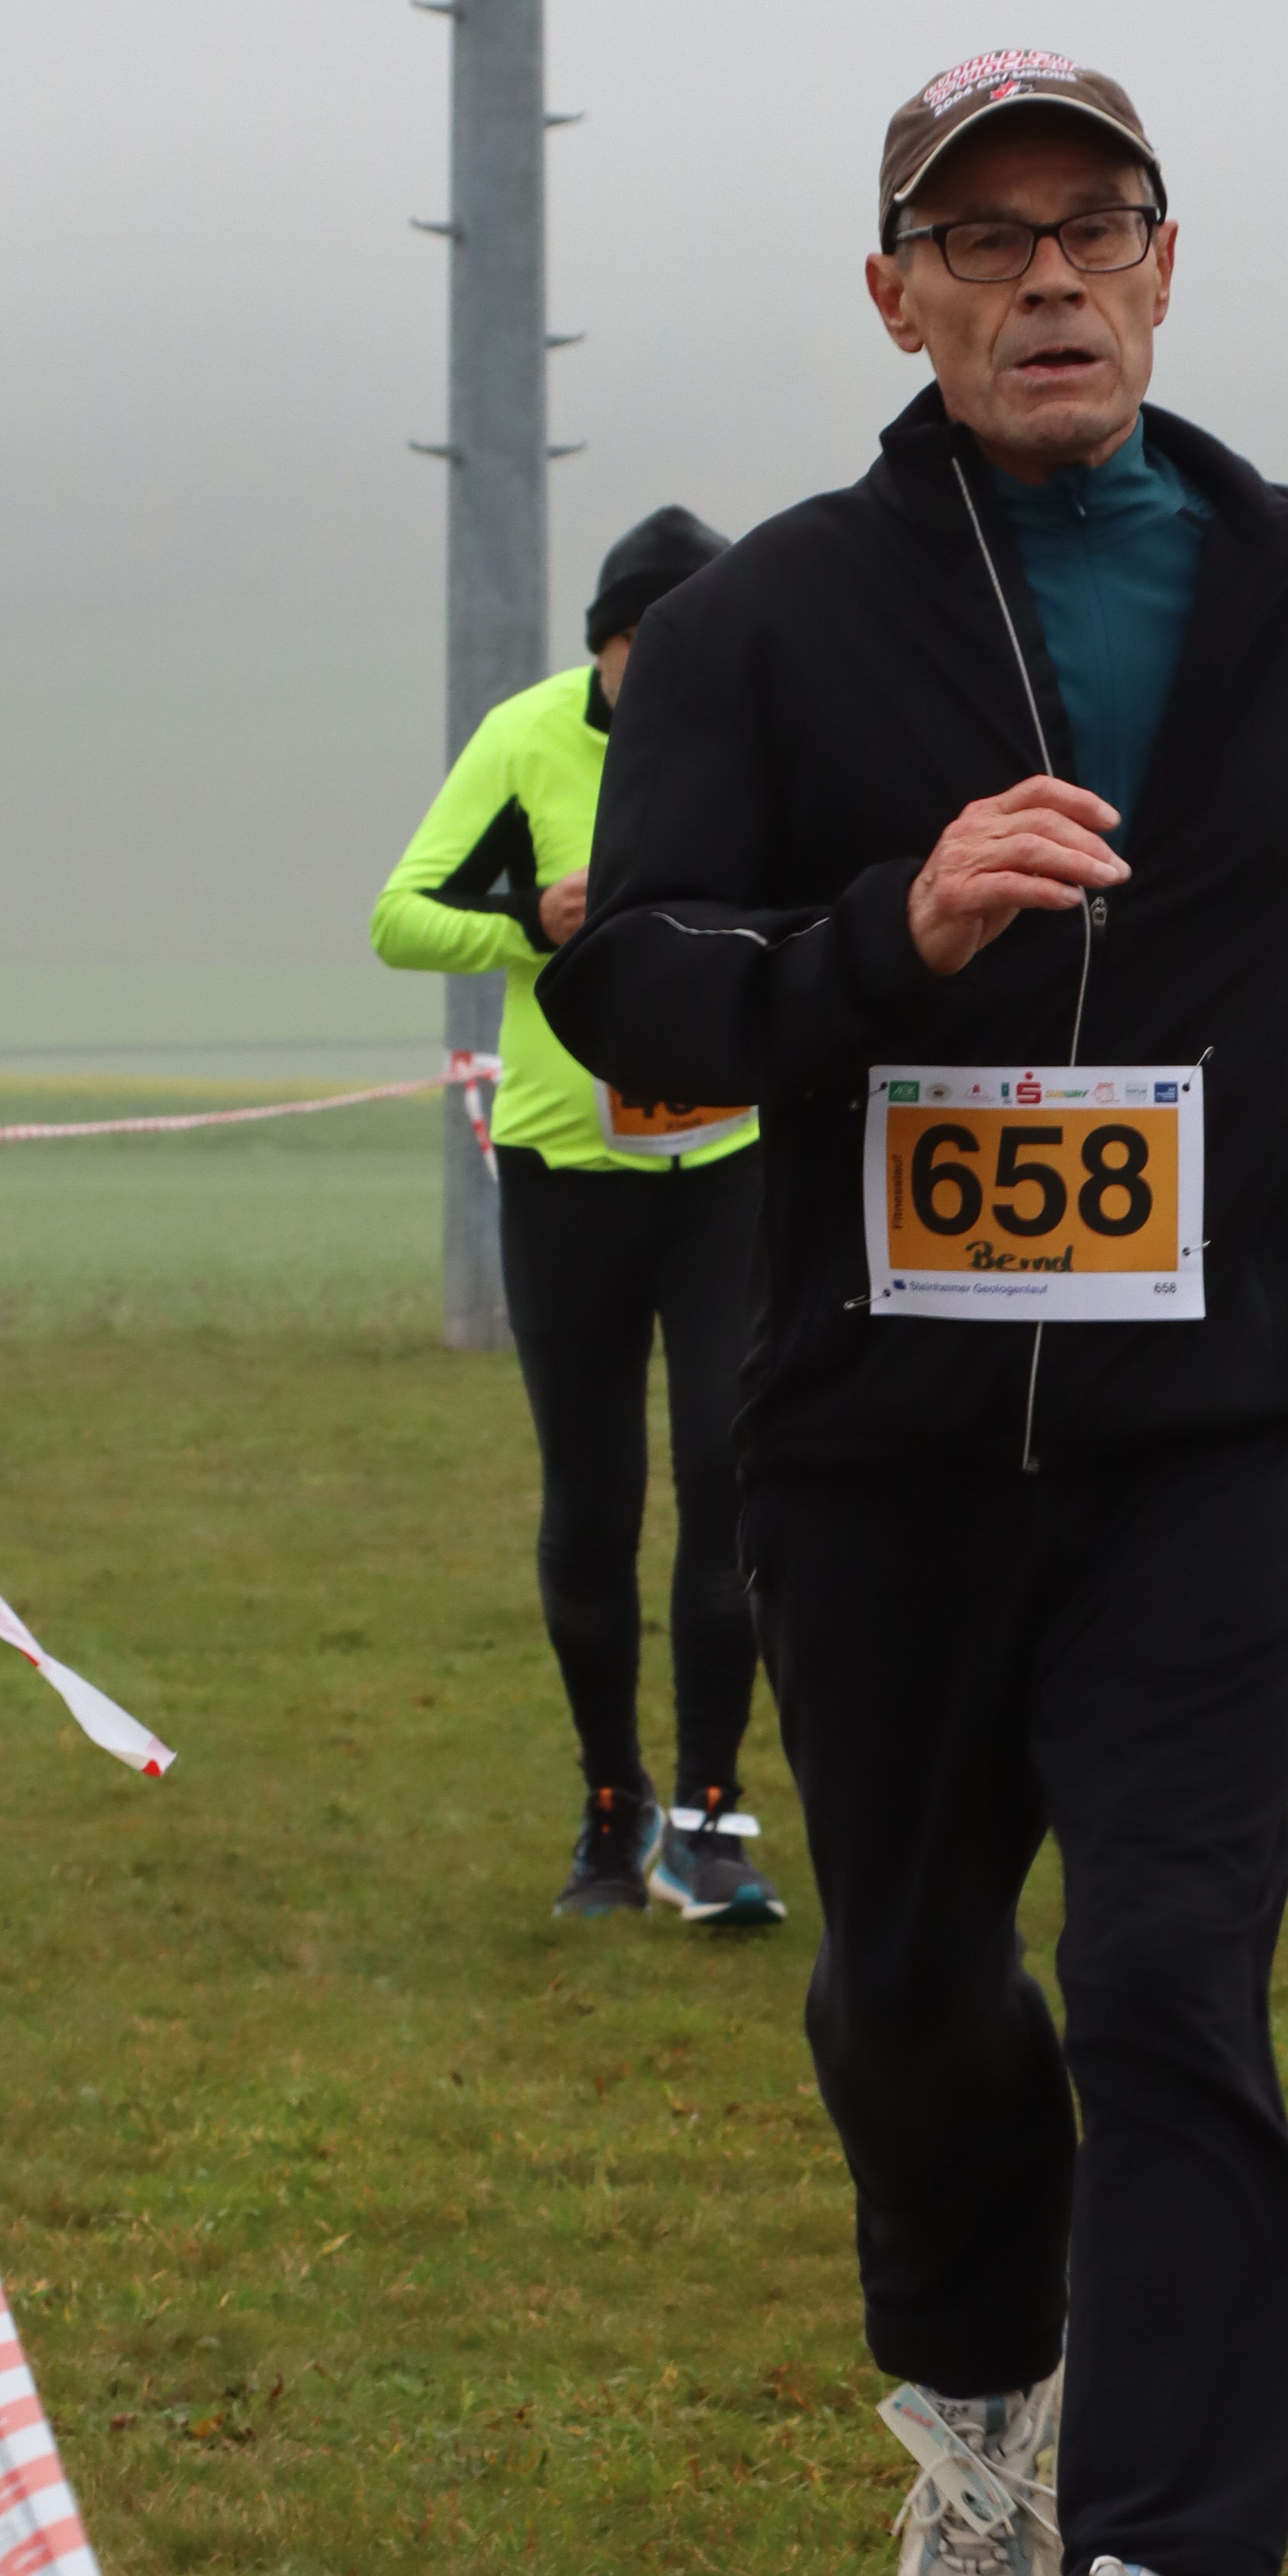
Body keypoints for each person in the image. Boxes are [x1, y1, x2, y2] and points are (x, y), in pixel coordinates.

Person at [540, 51, 1288, 2576]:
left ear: (1166, 264)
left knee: (1173, 1973)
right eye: (980, 238)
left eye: (1094, 225)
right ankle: (988, 2414)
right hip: (877, 1444)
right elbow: (639, 998)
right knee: (906, 1990)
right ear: (894, 297)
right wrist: (890, 930)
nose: (1046, 278)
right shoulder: (770, 620)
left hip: (1203, 1432)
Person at [372, 507, 786, 1932]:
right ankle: (614, 1809)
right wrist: (529, 925)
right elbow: (400, 915)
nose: (661, 669)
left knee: (732, 1475)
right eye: (638, 646)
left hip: (729, 1159)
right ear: (602, 645)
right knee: (594, 1499)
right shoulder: (525, 737)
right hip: (567, 1169)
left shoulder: (759, 733)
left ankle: (709, 1822)